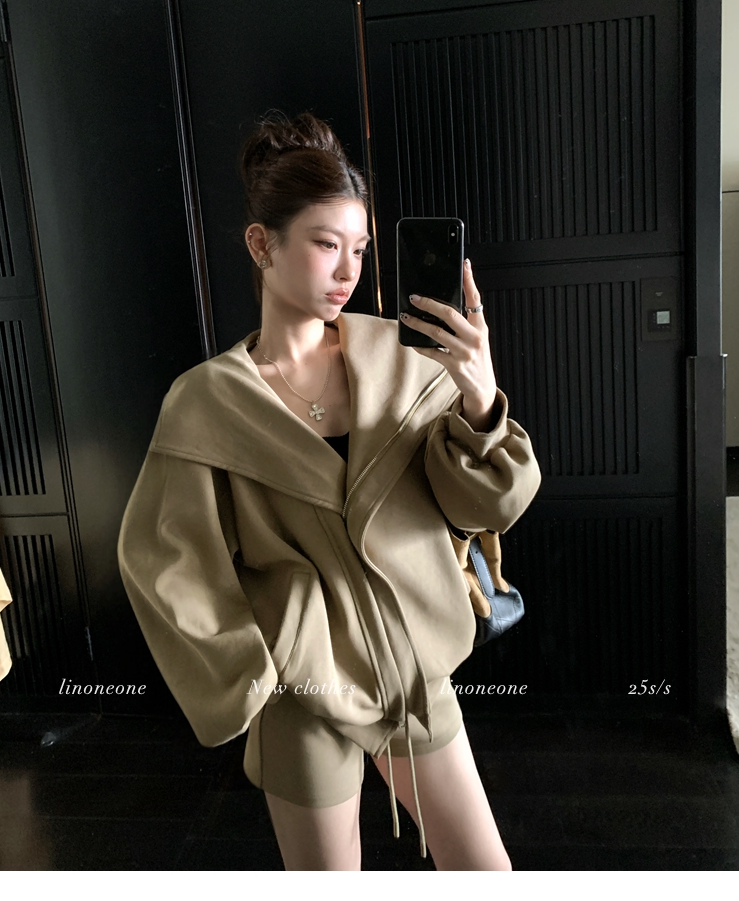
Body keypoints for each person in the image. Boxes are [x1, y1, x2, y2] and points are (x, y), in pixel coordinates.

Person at [117, 112, 541, 871]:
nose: (348, 272)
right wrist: (260, 669)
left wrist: (480, 400)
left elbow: (486, 506)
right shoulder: (207, 401)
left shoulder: (405, 361)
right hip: (303, 693)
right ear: (262, 245)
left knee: (488, 874)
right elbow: (164, 558)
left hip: (415, 676)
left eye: (360, 249)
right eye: (324, 244)